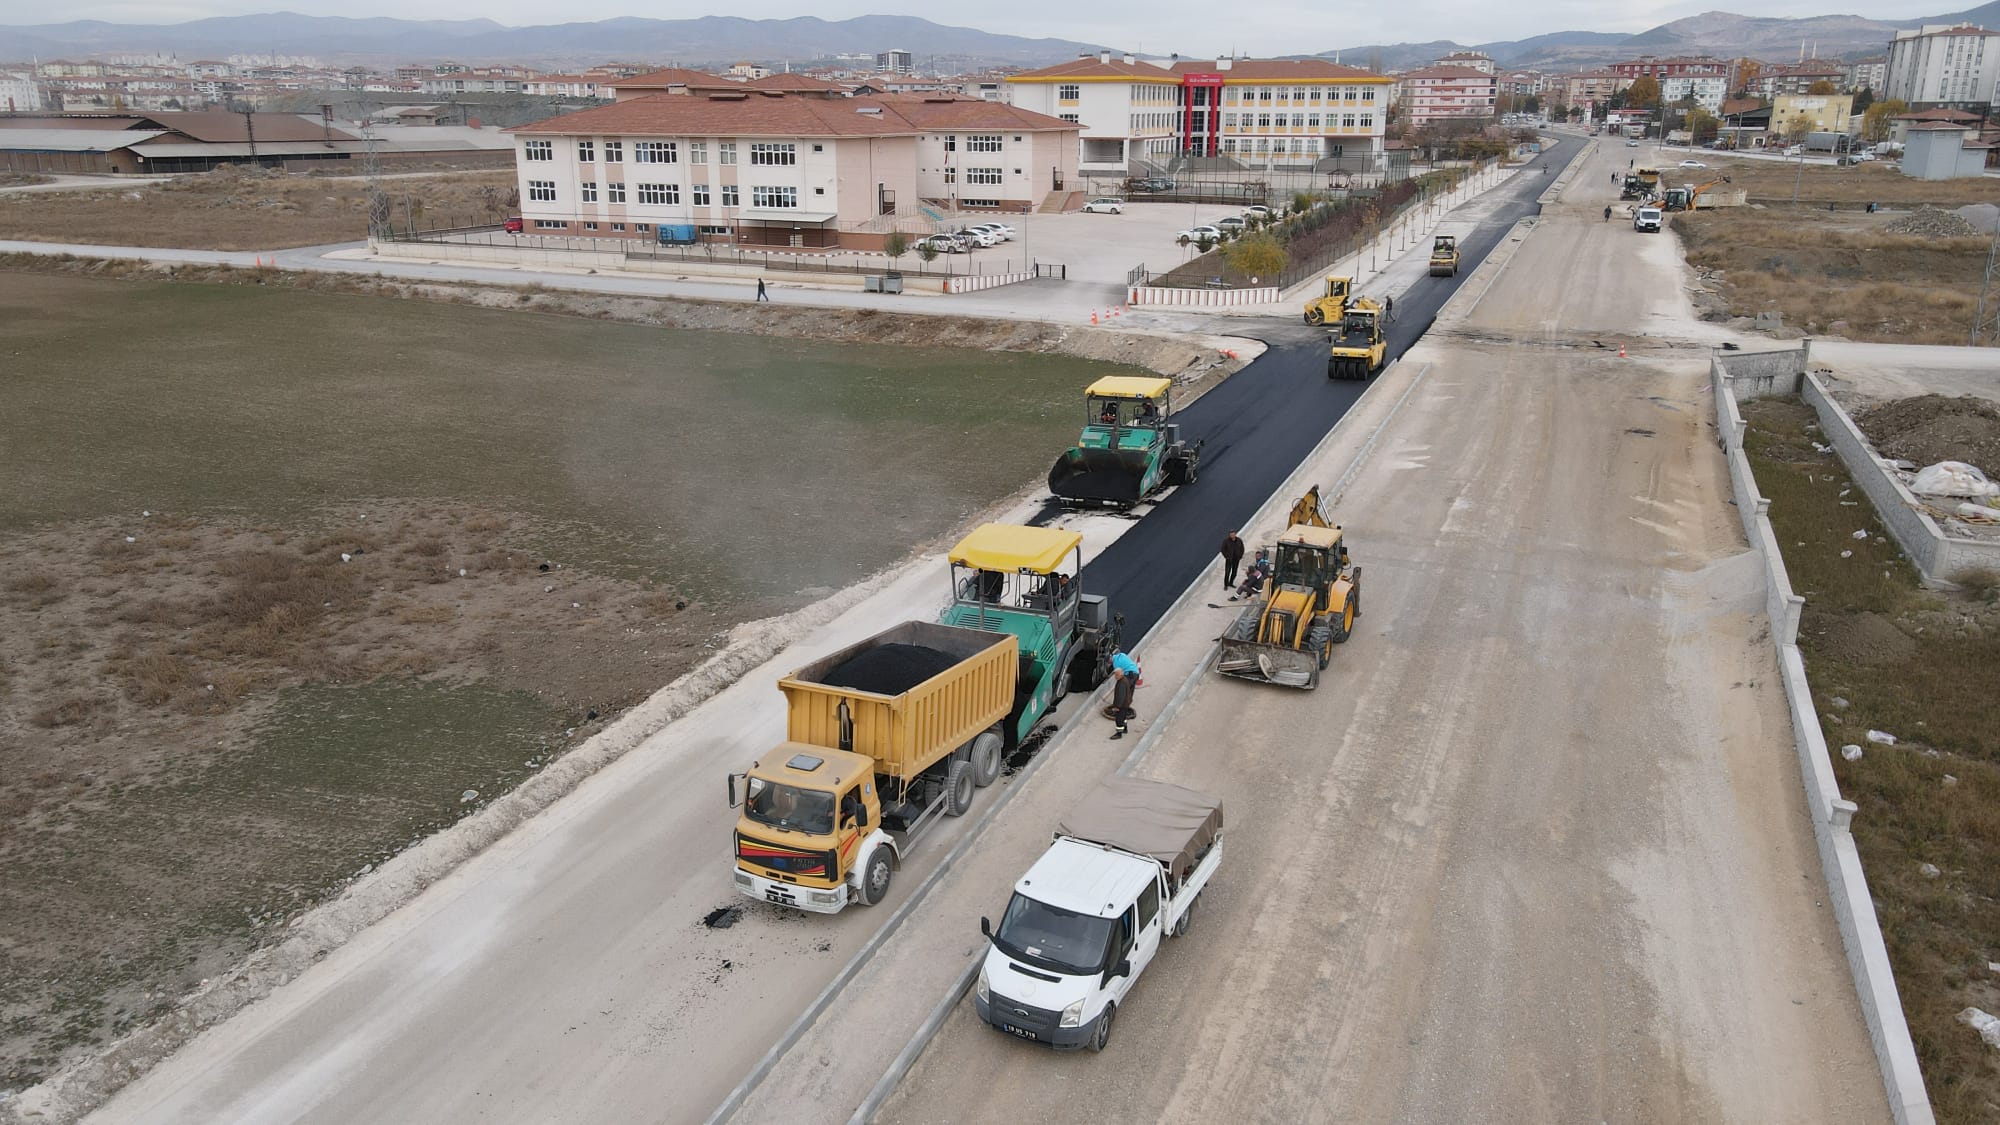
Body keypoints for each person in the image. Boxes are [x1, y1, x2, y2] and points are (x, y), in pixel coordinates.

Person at [1103, 649, 1141, 739]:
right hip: (1135, 673)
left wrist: (1117, 706)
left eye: (1116, 675)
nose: (1115, 677)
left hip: (1131, 675)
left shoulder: (1122, 682)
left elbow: (1120, 695)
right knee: (1129, 692)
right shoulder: (1121, 655)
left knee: (1119, 717)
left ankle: (1119, 733)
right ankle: (1125, 727)